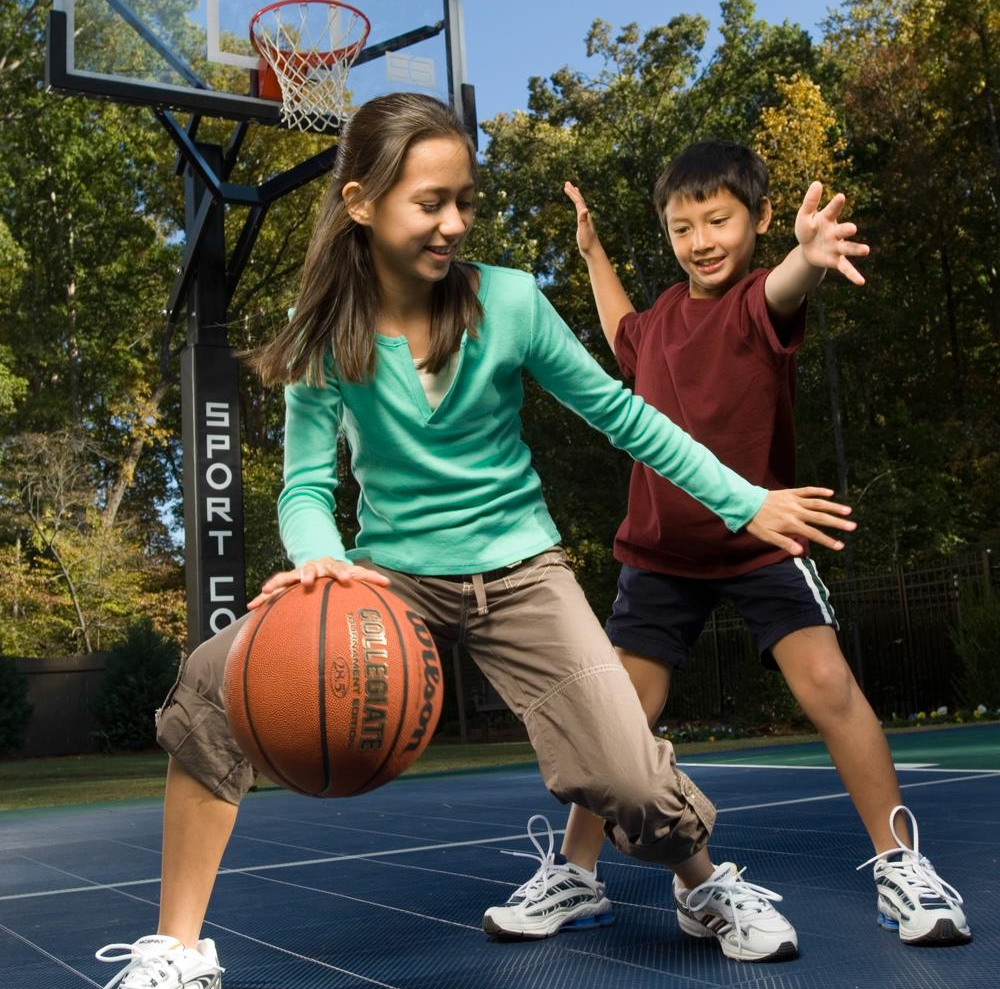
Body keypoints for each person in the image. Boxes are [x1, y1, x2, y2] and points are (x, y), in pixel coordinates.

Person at [95, 99, 859, 989]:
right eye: (429, 203)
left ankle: (701, 886)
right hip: (387, 579)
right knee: (212, 685)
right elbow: (307, 485)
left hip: (521, 571)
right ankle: (179, 950)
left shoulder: (508, 299)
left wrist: (744, 501)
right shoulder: (323, 329)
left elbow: (624, 415)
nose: (454, 222)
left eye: (464, 200)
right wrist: (318, 559)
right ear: (360, 202)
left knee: (629, 775)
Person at [485, 141, 971, 953]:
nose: (702, 240)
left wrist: (808, 259)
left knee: (829, 690)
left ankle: (901, 865)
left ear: (761, 219)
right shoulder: (663, 319)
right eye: (683, 228)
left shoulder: (755, 302)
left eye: (719, 220)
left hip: (759, 538)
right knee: (616, 722)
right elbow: (620, 334)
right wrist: (595, 252)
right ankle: (577, 875)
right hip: (660, 551)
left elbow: (787, 286)